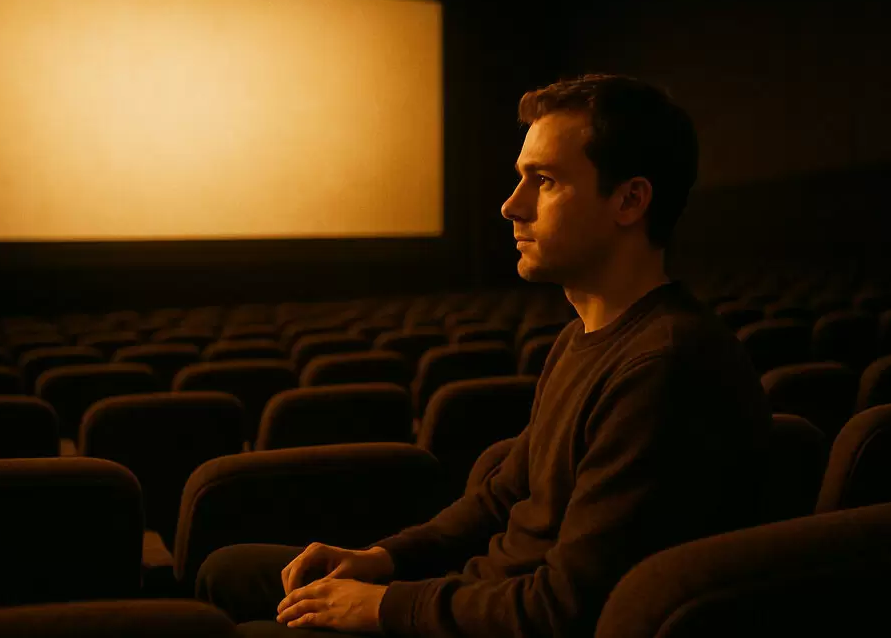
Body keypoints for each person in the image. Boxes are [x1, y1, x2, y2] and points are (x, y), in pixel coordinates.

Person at [195, 74, 772, 637]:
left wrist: (384, 607)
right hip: (483, 594)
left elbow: (562, 611)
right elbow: (503, 497)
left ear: (629, 200)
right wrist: (383, 558)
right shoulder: (582, 338)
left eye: (544, 181)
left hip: (510, 614)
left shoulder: (663, 369)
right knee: (229, 568)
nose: (510, 206)